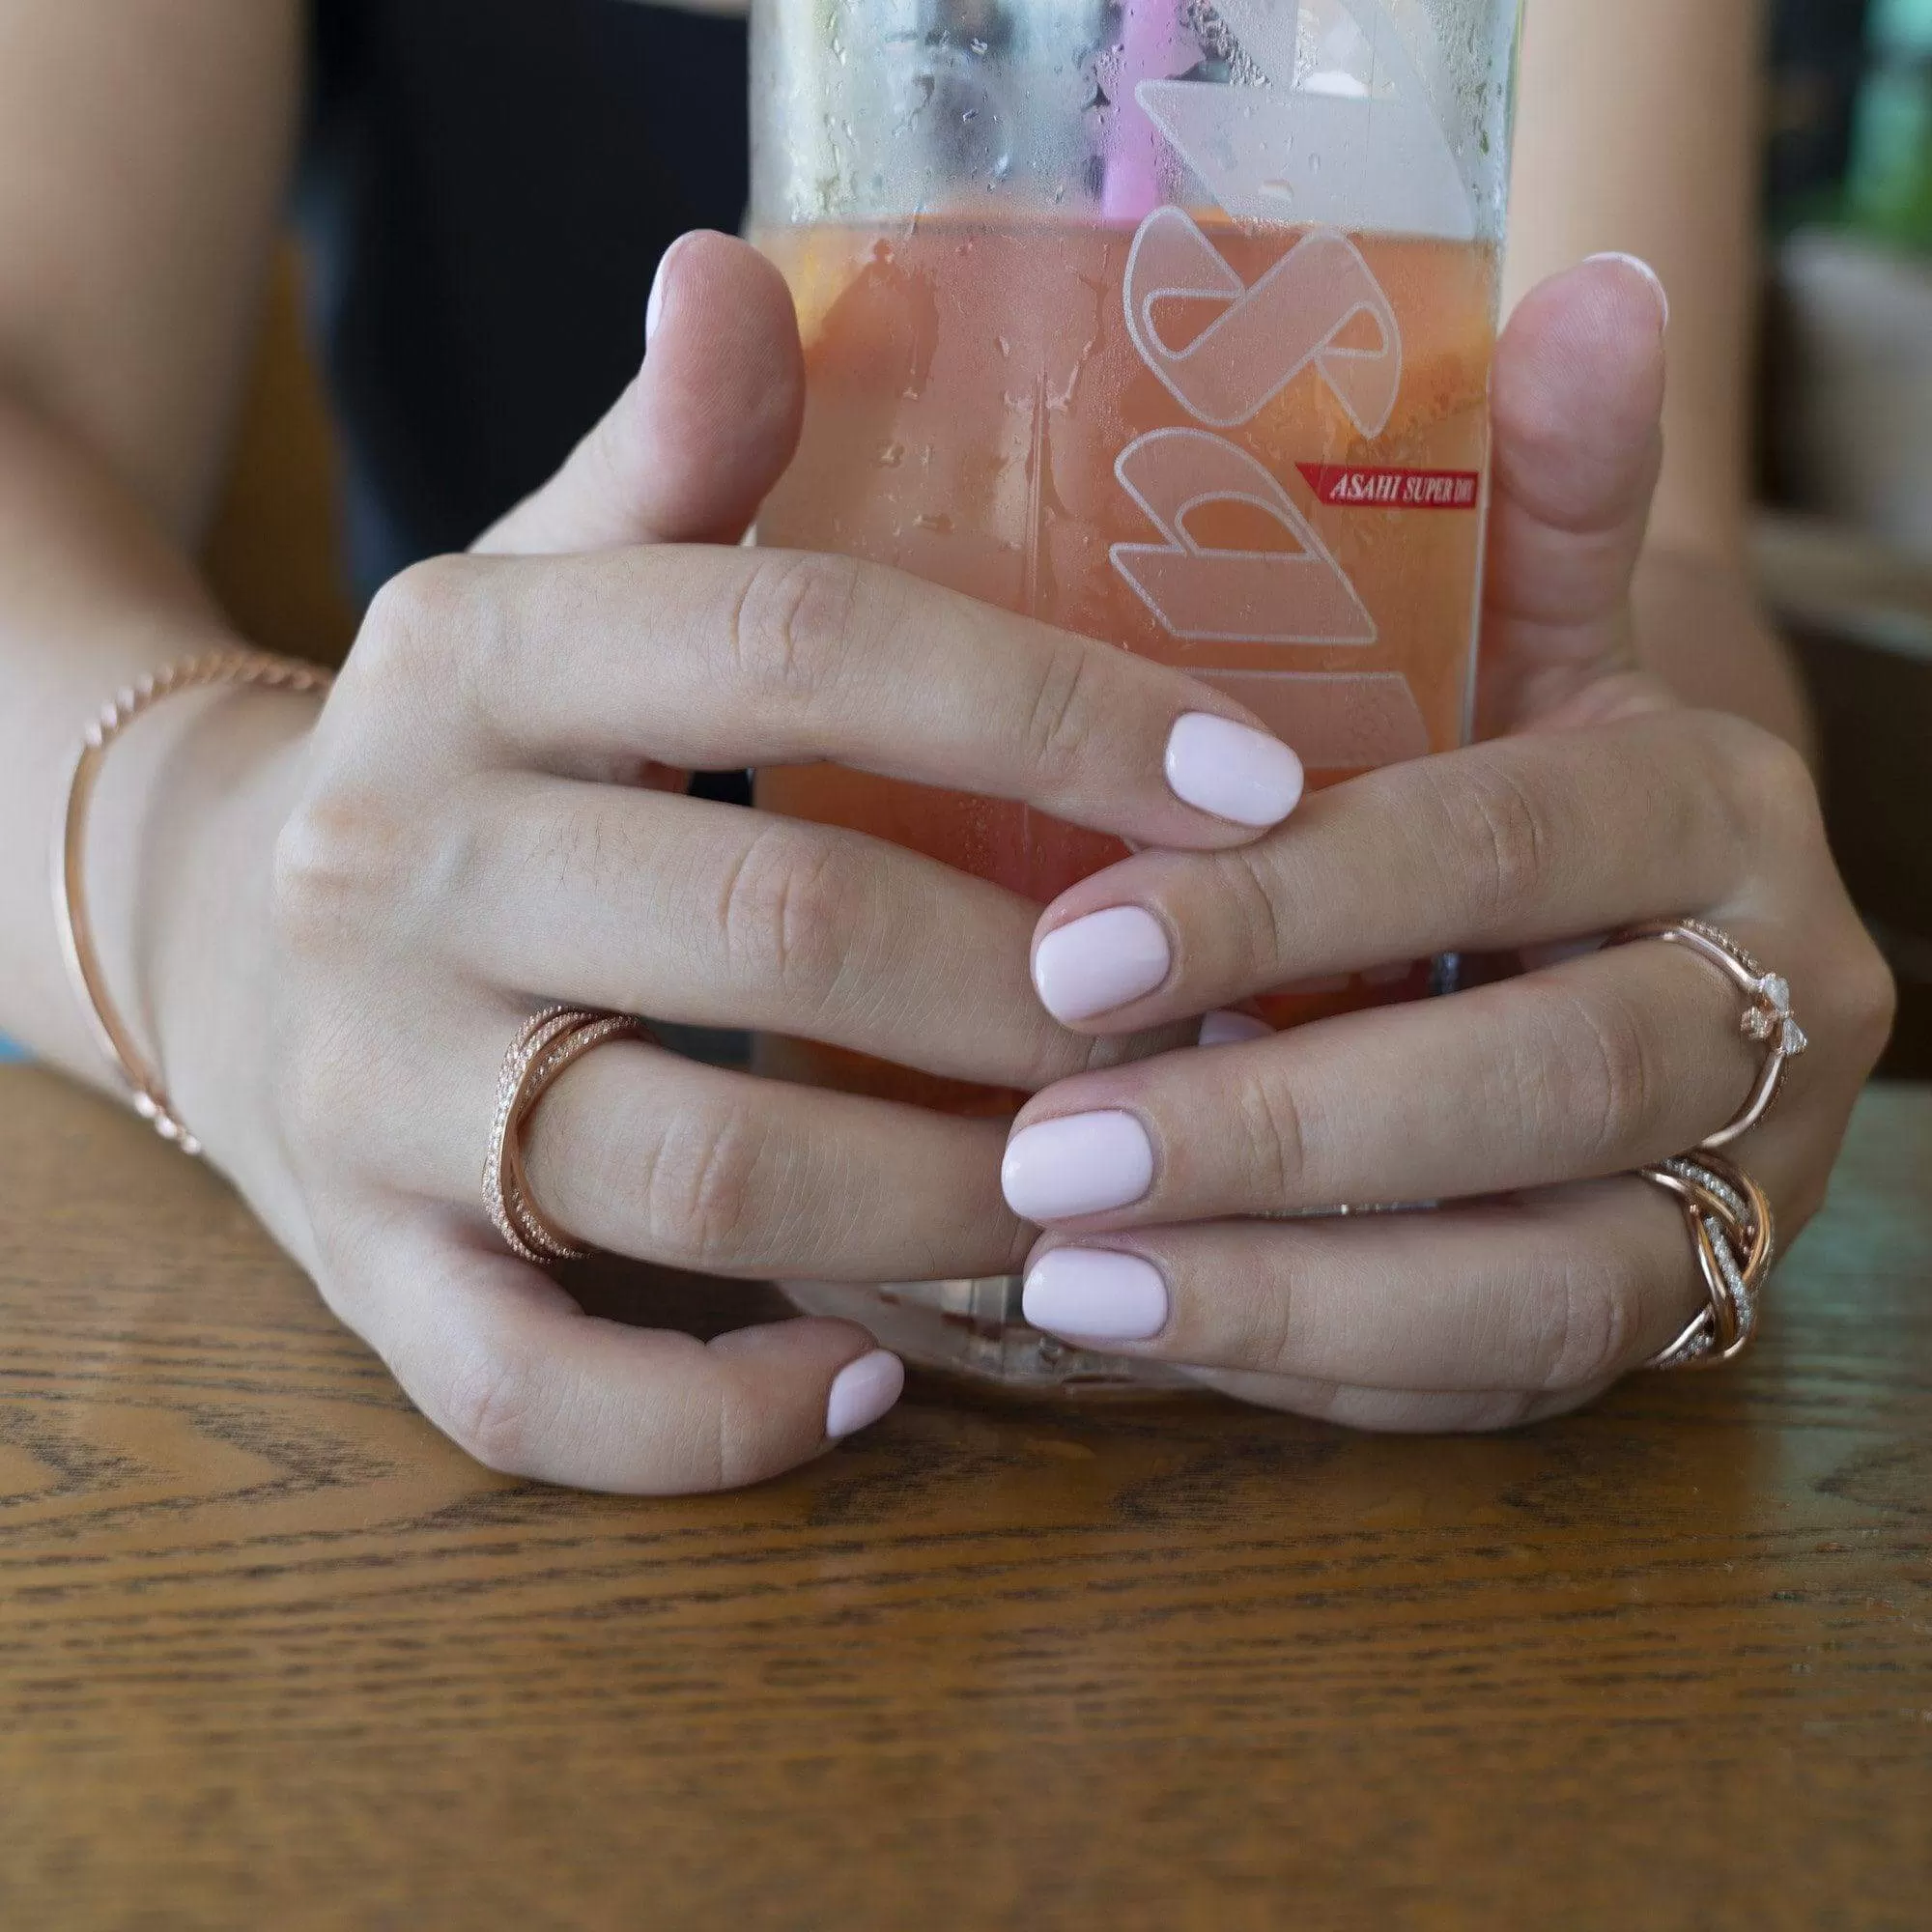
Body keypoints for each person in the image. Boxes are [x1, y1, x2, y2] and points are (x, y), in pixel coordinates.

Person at [0, 0, 1893, 1492]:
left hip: (1393, 1383)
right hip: (473, 1144)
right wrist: (212, 883)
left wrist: (1643, 896)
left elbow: (1657, 568)